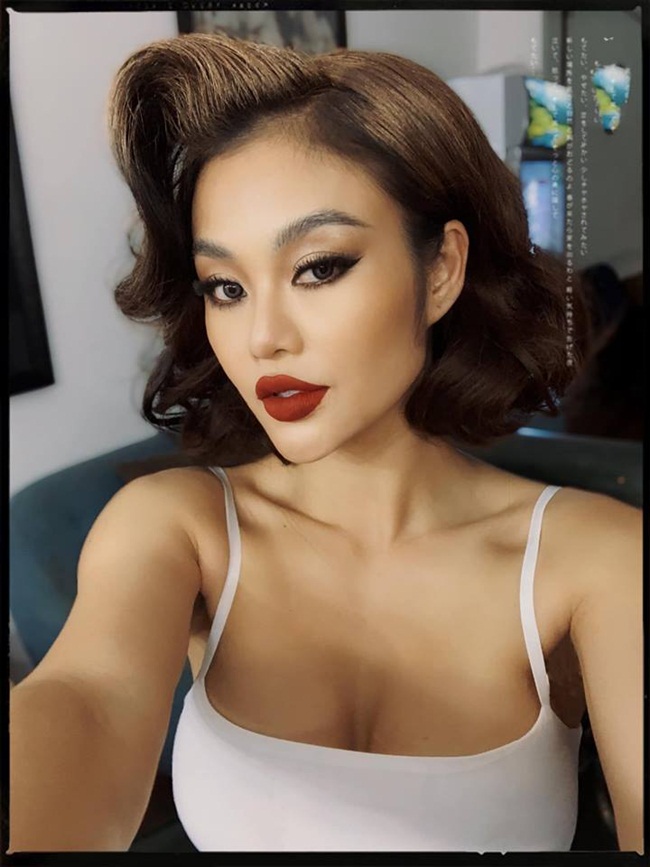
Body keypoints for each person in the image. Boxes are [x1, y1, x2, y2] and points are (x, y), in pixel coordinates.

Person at [9, 33, 642, 853]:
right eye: (225, 287)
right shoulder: (175, 524)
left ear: (442, 269)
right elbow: (89, 701)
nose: (262, 337)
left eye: (318, 267)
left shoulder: (599, 559)